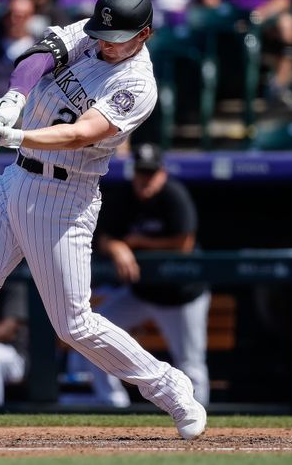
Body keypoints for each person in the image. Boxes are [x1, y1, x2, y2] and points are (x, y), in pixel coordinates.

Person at [0, 0, 206, 442]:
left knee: (73, 324)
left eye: (119, 35)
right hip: (14, 179)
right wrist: (15, 96)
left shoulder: (138, 84)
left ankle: (169, 388)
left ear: (144, 34)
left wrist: (19, 136)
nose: (106, 41)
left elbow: (82, 133)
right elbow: (40, 54)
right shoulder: (93, 34)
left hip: (65, 198)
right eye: (103, 31)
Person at [71, 143, 210, 407]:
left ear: (162, 173)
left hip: (181, 297)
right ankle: (113, 405)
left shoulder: (173, 195)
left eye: (151, 172)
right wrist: (118, 247)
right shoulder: (124, 197)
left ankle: (198, 418)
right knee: (93, 337)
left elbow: (184, 244)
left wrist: (137, 241)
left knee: (191, 364)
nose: (145, 179)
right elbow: (105, 238)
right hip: (141, 292)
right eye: (141, 172)